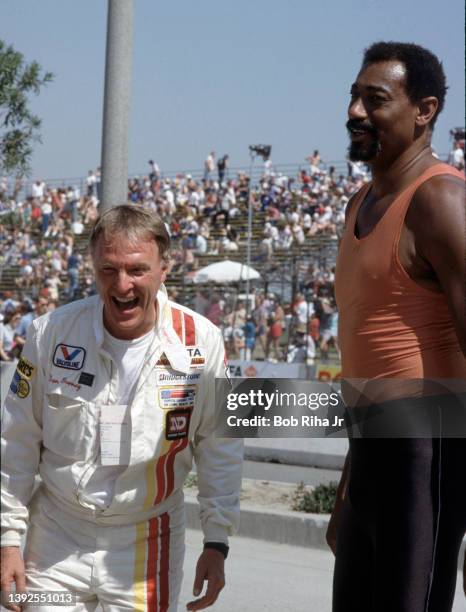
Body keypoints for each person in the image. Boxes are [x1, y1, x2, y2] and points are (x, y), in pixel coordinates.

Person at [1, 205, 243, 611]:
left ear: (164, 268)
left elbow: (221, 445)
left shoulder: (203, 342)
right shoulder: (51, 333)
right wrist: (8, 539)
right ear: (93, 268)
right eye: (108, 270)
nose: (122, 284)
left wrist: (217, 541)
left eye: (136, 270)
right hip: (56, 537)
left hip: (148, 542)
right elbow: (17, 440)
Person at [328, 42, 466, 612]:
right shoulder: (358, 202)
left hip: (426, 453)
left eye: (375, 99)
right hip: (372, 448)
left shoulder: (440, 200)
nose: (355, 111)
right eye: (354, 96)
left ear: (424, 110)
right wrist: (347, 486)